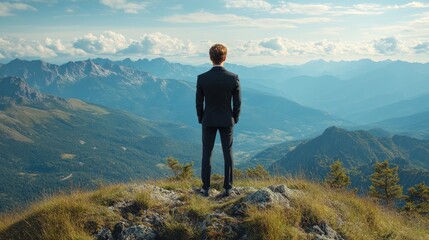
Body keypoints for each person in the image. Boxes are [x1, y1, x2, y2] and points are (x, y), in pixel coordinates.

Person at [196, 44, 241, 197]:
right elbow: (238, 102)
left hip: (208, 119)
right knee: (228, 153)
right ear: (225, 57)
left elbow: (198, 102)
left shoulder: (202, 78)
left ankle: (206, 188)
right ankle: (228, 187)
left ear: (210, 58)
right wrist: (234, 117)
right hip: (226, 120)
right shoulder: (233, 78)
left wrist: (201, 117)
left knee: (206, 154)